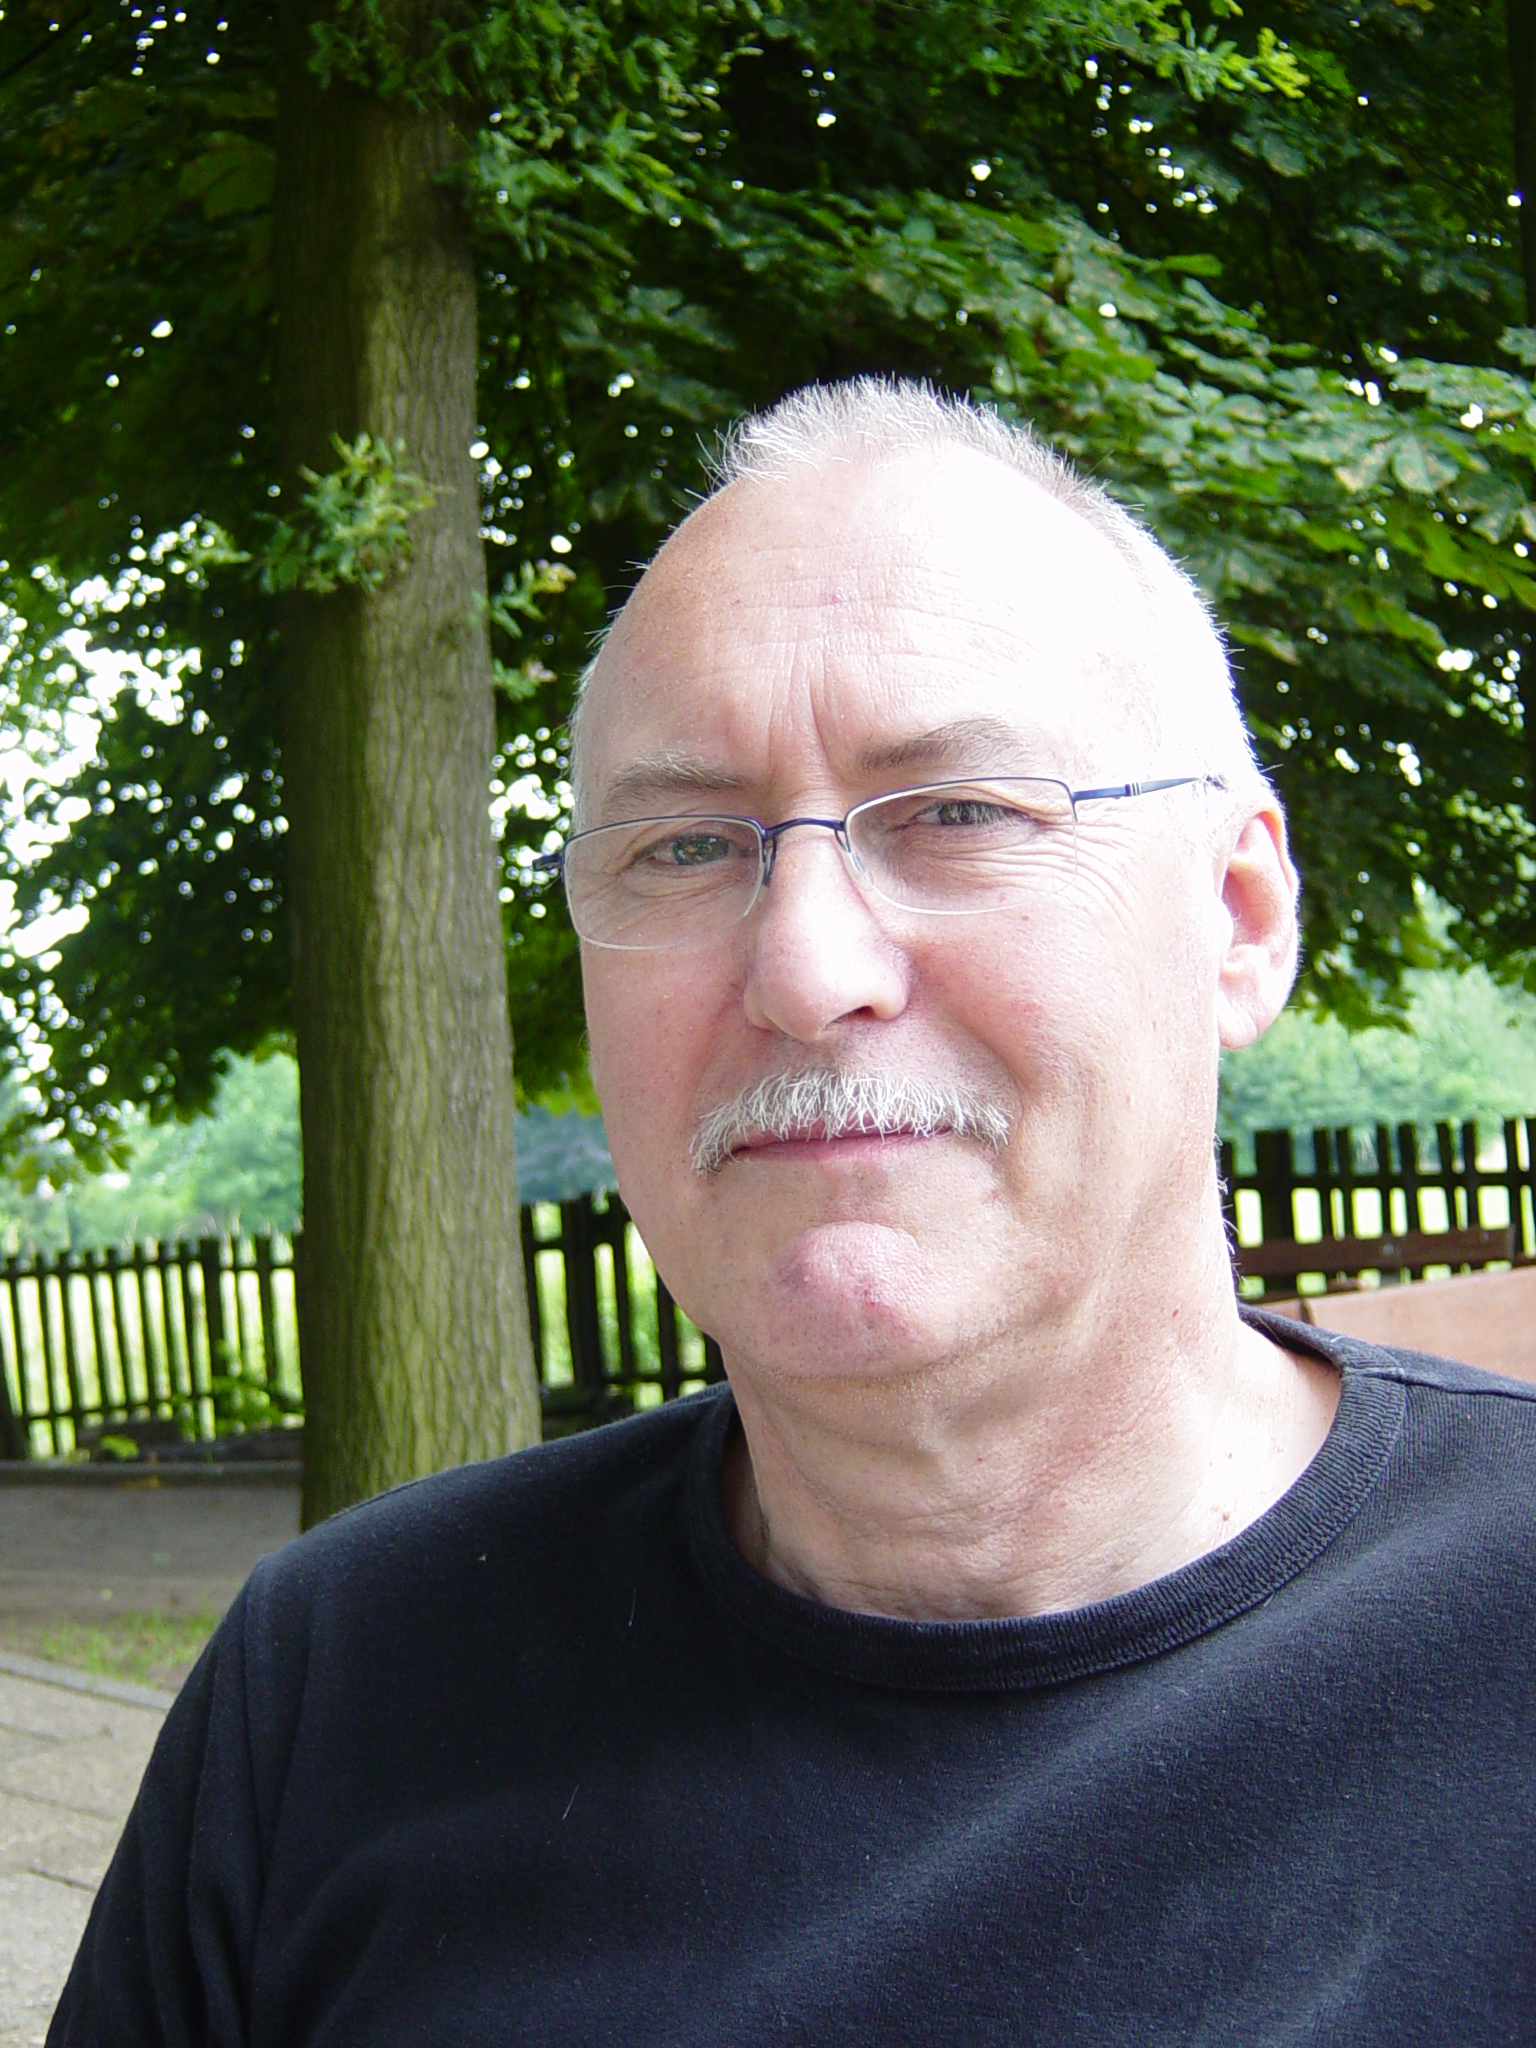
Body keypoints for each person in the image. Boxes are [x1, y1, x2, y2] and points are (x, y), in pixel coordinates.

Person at [51, 380, 1536, 2046]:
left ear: (1241, 919)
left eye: (959, 814)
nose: (807, 965)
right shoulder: (343, 1683)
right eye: (687, 848)